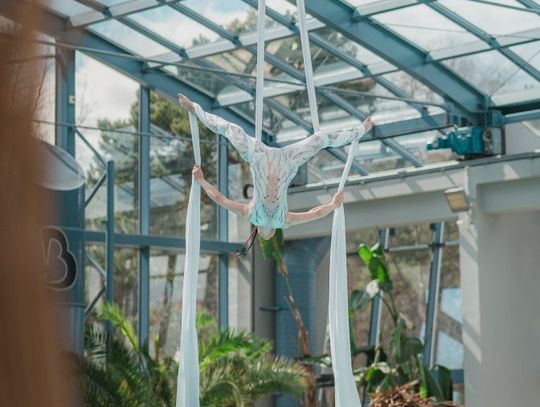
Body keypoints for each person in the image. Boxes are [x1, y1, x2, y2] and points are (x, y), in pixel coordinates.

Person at [177, 94, 373, 245]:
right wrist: (332, 205)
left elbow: (220, 199)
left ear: (258, 230)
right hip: (286, 162)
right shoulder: (282, 221)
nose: (267, 232)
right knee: (320, 139)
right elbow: (316, 213)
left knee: (232, 130)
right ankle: (359, 131)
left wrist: (202, 180)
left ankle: (195, 108)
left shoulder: (253, 214)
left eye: (264, 234)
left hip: (260, 158)